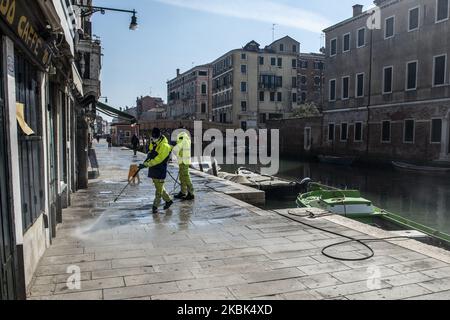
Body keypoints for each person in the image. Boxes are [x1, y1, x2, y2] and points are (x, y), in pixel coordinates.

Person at [139, 128, 173, 214]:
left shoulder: (164, 146)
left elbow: (158, 159)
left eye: (155, 137)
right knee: (159, 186)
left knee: (159, 190)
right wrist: (145, 162)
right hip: (154, 168)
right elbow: (150, 155)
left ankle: (155, 206)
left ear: (159, 136)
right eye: (152, 137)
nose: (153, 139)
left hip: (160, 168)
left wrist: (146, 165)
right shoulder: (154, 143)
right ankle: (168, 200)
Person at [173, 131, 195, 201]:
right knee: (182, 177)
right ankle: (183, 192)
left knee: (186, 177)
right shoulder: (185, 140)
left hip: (184, 162)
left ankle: (191, 193)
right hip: (182, 162)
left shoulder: (183, 140)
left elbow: (176, 149)